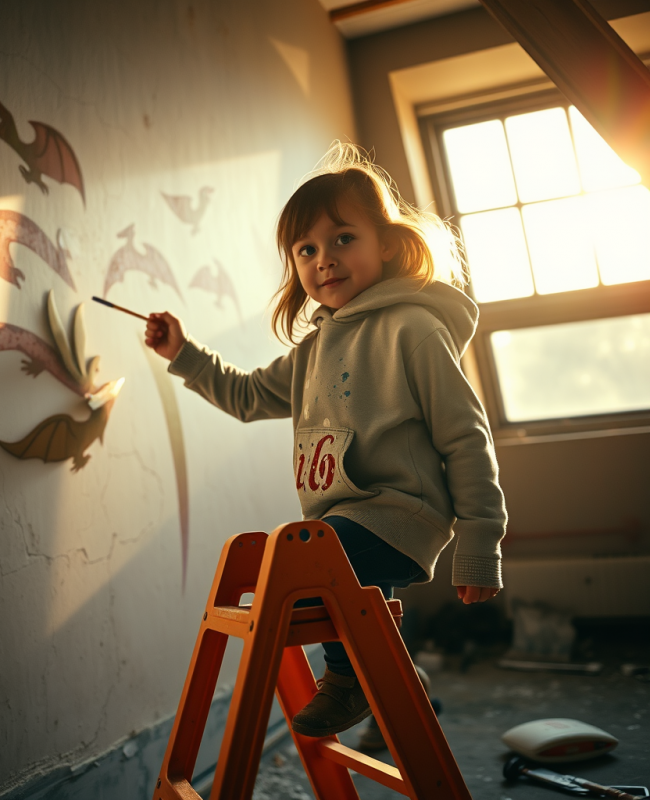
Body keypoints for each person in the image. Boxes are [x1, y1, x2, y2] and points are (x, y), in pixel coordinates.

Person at [144, 142, 507, 740]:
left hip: (401, 514)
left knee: (308, 557)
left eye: (343, 238)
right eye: (306, 249)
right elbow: (246, 396)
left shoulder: (413, 330)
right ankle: (387, 672)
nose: (324, 259)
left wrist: (480, 545)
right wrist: (181, 354)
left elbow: (467, 439)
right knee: (309, 560)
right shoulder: (315, 348)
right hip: (343, 517)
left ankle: (351, 679)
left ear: (386, 244)